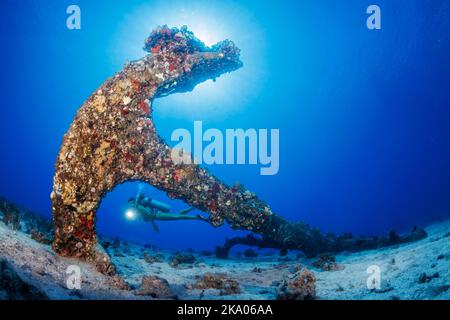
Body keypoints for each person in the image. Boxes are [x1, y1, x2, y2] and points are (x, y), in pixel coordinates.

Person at [126, 194, 208, 232]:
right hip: (157, 213)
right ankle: (193, 207)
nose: (132, 205)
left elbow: (148, 214)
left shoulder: (138, 207)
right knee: (177, 215)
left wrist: (154, 226)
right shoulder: (136, 210)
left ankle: (197, 217)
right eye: (130, 204)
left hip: (157, 215)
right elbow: (144, 216)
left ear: (134, 202)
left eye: (132, 203)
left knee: (176, 217)